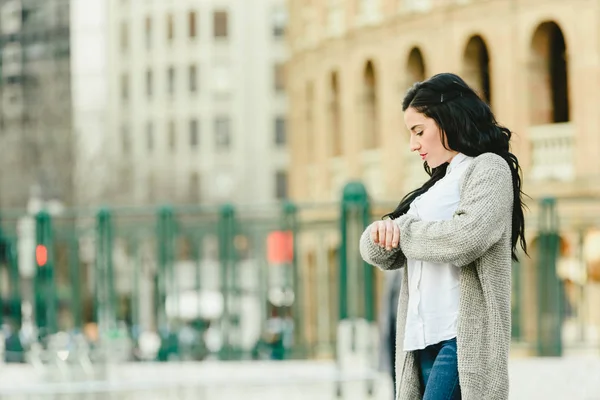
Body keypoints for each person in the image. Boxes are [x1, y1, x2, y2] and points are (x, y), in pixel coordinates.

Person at [359, 73, 527, 400]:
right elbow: (376, 250)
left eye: (419, 131)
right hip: (420, 337)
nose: (413, 144)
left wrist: (401, 231)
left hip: (459, 337)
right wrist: (380, 231)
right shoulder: (436, 186)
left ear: (447, 119)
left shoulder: (488, 169)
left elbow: (466, 238)